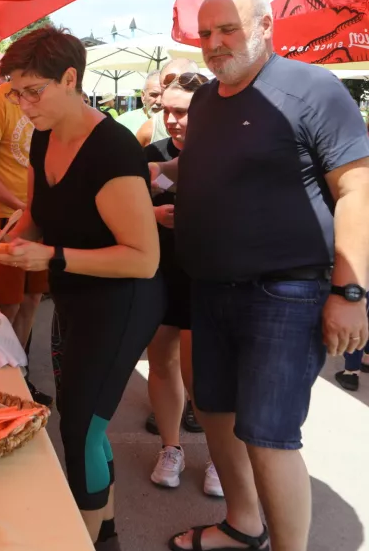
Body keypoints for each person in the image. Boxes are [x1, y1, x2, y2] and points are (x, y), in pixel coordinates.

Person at [168, 0, 369, 551]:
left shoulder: (313, 88)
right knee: (216, 412)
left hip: (287, 291)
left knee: (269, 434)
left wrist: (350, 292)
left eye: (227, 28)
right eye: (205, 33)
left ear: (265, 25)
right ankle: (242, 523)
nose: (213, 43)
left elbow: (358, 189)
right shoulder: (206, 100)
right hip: (209, 287)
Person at [0, 26, 162, 550]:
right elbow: (38, 213)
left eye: (32, 91)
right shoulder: (43, 135)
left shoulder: (112, 148)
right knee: (85, 420)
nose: (22, 105)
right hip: (77, 298)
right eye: (15, 93)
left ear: (71, 79)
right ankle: (105, 530)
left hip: (122, 302)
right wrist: (14, 235)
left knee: (80, 428)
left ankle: (84, 540)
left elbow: (143, 257)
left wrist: (52, 255)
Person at [143, 70, 222, 497]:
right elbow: (124, 200)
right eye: (167, 110)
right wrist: (152, 214)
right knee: (163, 363)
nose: (172, 120)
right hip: (161, 273)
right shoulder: (153, 155)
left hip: (206, 279)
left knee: (201, 376)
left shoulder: (222, 156)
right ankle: (170, 448)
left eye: (182, 112)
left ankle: (219, 456)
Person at [0, 74, 46, 346]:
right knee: (7, 304)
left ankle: (20, 372)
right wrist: (22, 208)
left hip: (38, 215)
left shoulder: (43, 98)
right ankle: (2, 370)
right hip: (6, 215)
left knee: (32, 299)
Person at [136, 59, 202, 147]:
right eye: (165, 87)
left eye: (180, 111)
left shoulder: (219, 131)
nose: (170, 120)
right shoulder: (150, 130)